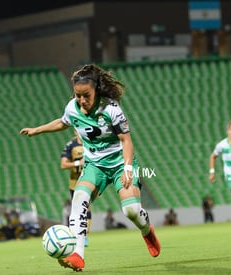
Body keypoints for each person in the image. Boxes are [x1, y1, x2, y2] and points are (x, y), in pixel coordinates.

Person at [20, 63, 161, 271]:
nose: (82, 100)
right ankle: (78, 254)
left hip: (120, 163)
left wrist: (128, 169)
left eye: (86, 95)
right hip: (95, 166)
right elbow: (63, 122)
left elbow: (127, 141)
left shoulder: (111, 109)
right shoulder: (73, 108)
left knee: (131, 211)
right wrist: (37, 130)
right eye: (78, 95)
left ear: (96, 89)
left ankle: (146, 230)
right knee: (79, 199)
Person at [60, 131, 91, 247]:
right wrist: (78, 162)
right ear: (75, 130)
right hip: (74, 183)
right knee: (78, 209)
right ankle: (77, 235)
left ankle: (85, 236)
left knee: (87, 207)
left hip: (88, 180)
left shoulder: (91, 141)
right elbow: (63, 165)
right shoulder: (70, 145)